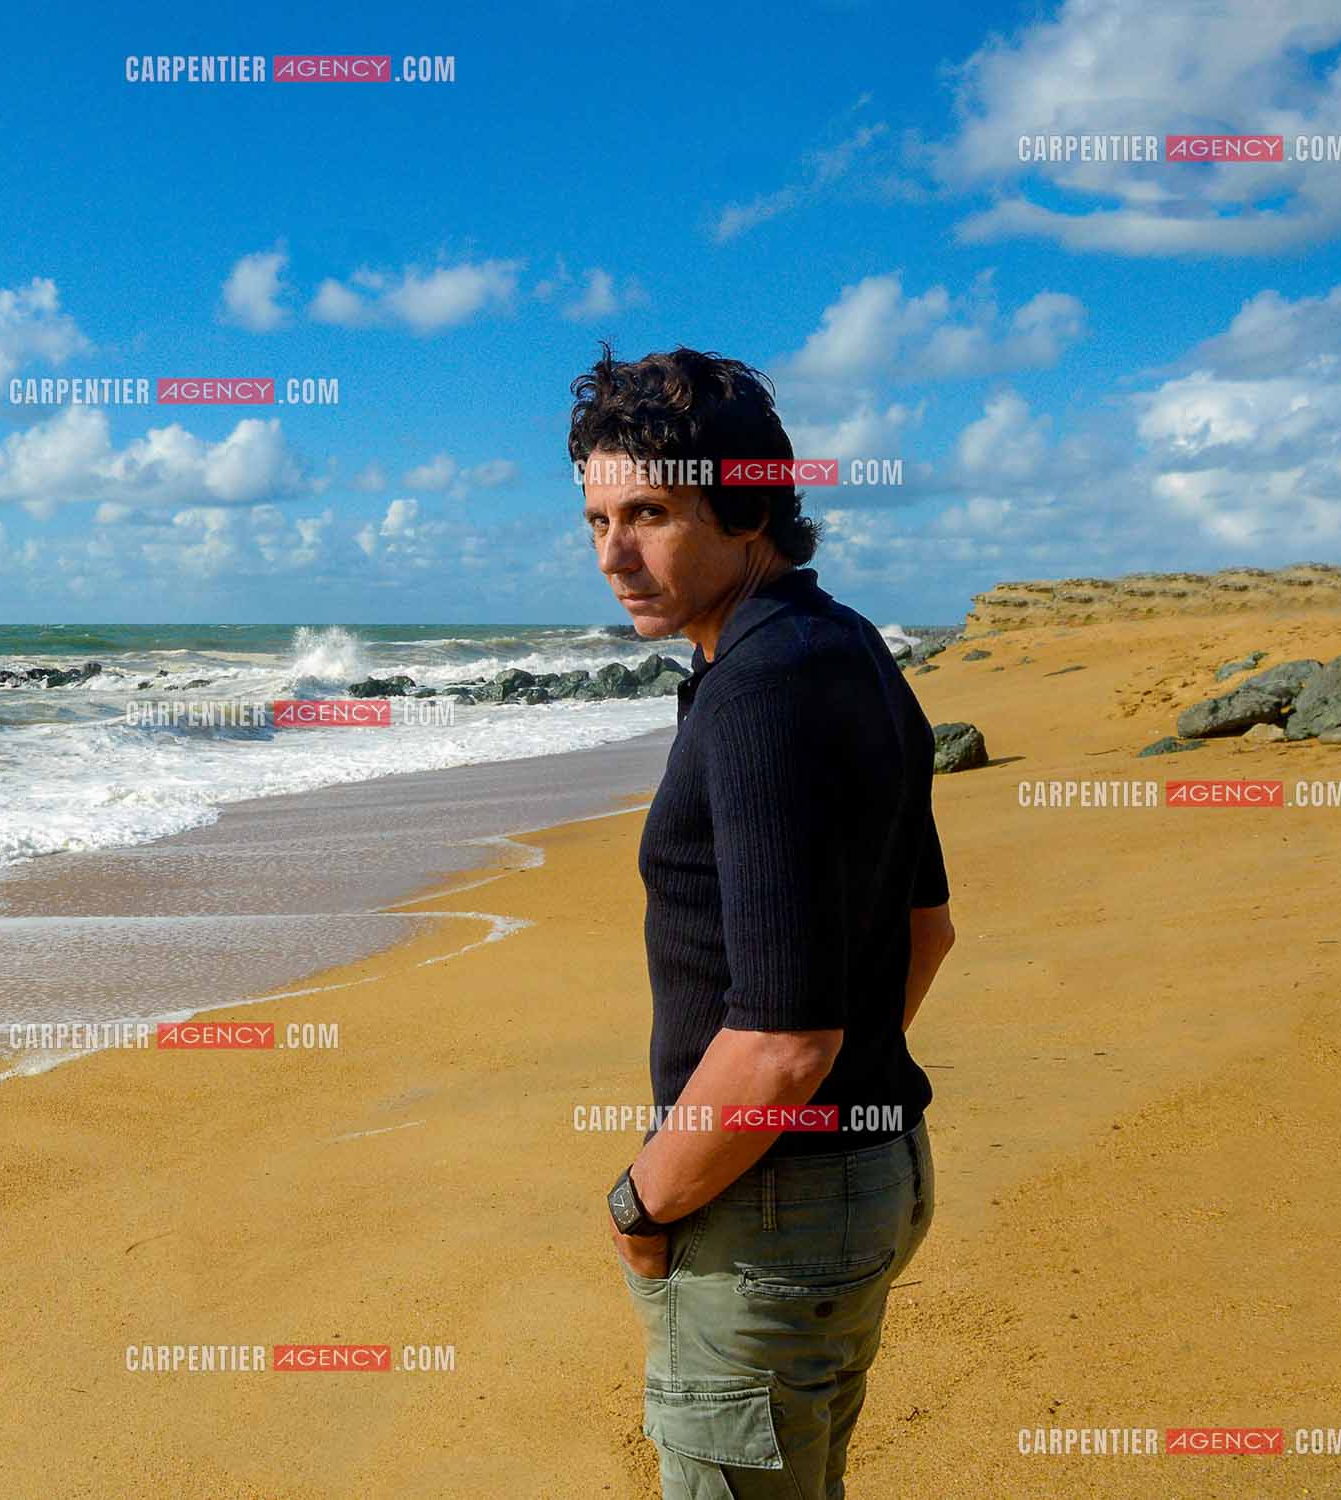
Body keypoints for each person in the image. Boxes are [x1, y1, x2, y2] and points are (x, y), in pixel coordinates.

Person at [574, 345, 956, 1498]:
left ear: (747, 507)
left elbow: (787, 1041)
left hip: (770, 1210)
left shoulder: (755, 690)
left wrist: (644, 1202)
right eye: (595, 519)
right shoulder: (844, 649)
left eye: (649, 512)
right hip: (865, 1180)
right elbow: (924, 929)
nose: (614, 555)